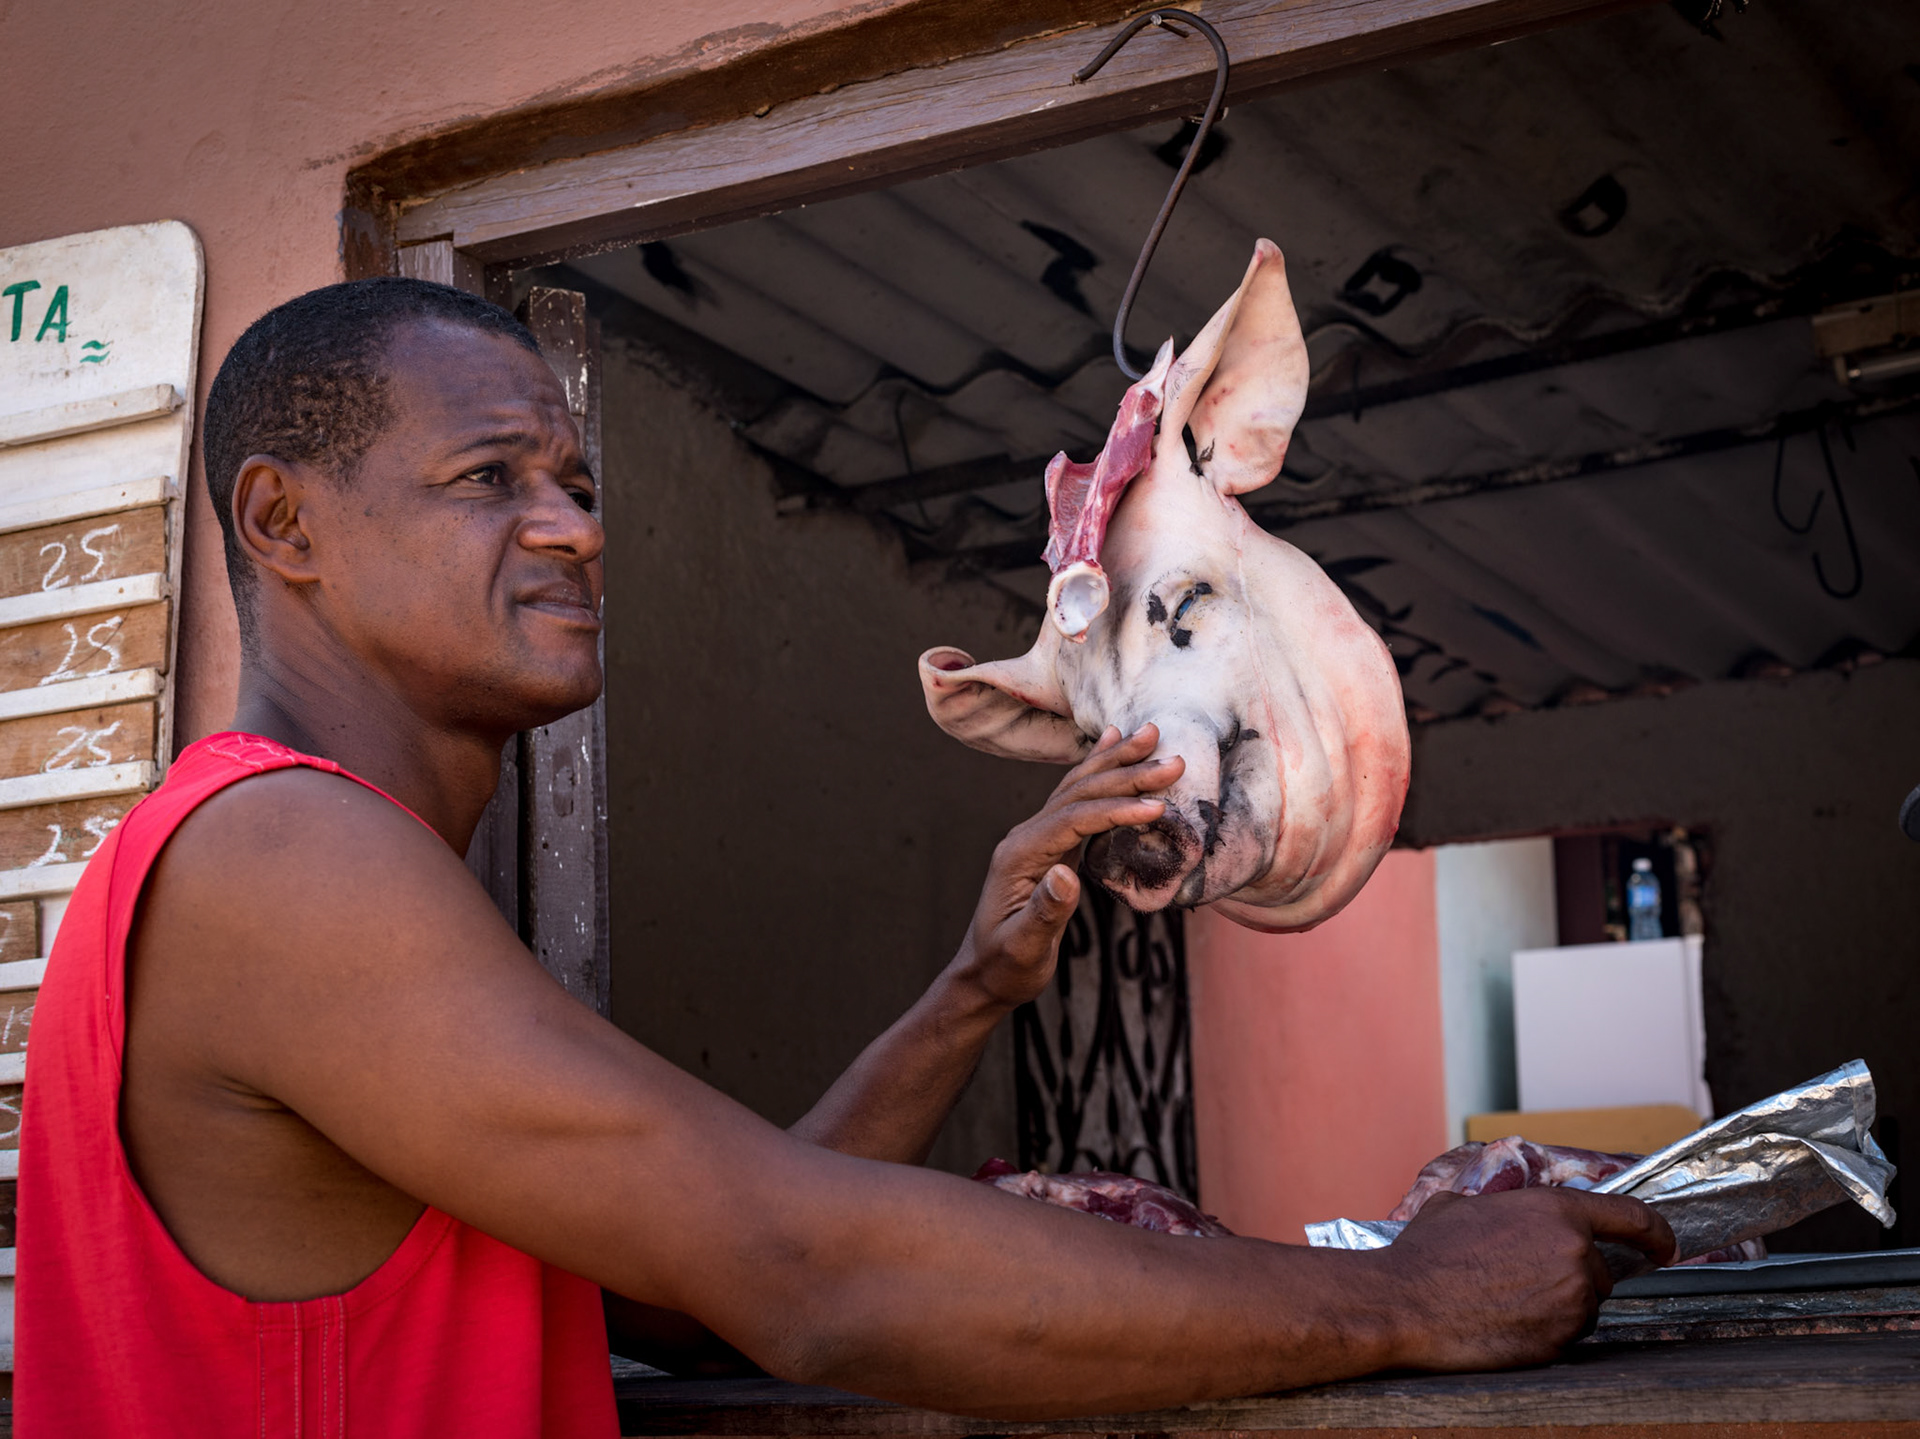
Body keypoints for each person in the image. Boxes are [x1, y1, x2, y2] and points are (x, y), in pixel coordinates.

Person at [16, 279, 1674, 1435]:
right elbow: (804, 1269)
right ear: (282, 525)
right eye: (490, 477)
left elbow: (695, 1286)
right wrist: (1409, 1305)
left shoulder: (326, 875)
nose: (578, 526)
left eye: (579, 481)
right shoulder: (282, 856)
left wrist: (970, 990)